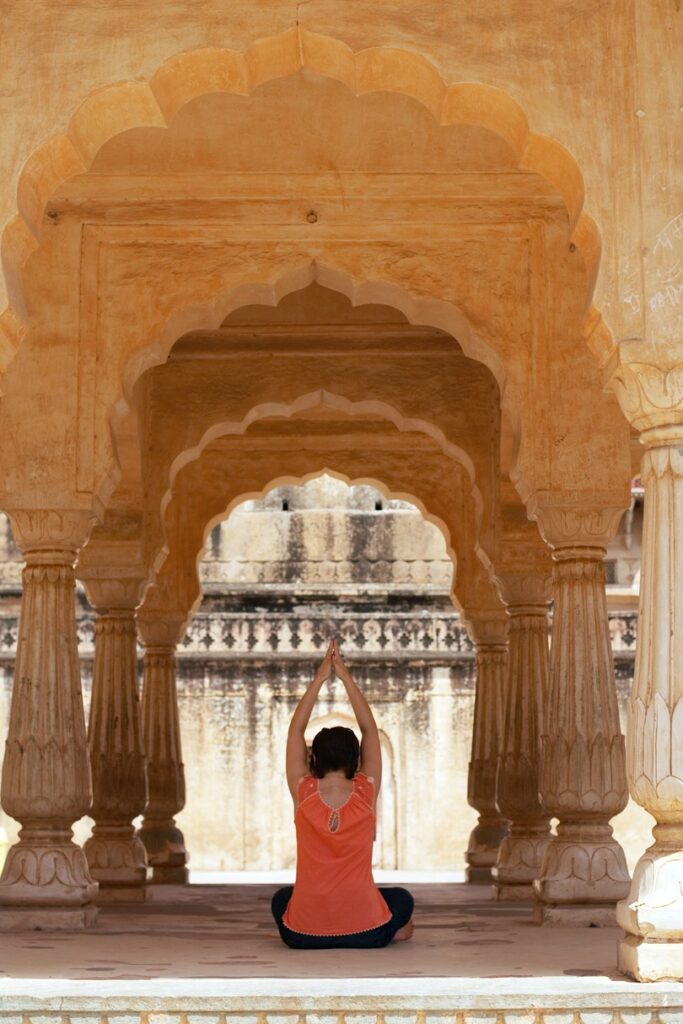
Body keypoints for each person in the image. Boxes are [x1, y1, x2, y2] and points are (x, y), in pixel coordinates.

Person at [271, 638, 414, 949]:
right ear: (356, 760)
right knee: (402, 899)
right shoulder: (365, 790)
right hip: (367, 931)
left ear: (314, 759)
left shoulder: (303, 790)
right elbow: (370, 731)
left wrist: (321, 677)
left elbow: (295, 731)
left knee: (282, 898)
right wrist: (346, 677)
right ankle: (391, 929)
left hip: (303, 935)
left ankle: (334, 921)